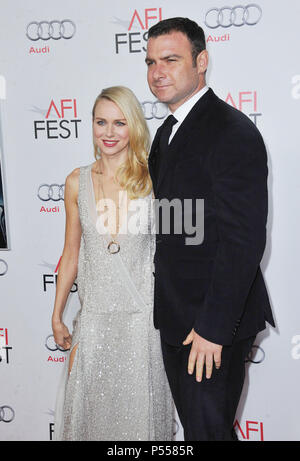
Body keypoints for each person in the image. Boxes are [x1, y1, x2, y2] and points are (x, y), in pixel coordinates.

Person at [146, 17, 275, 441]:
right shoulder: (165, 134)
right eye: (150, 62)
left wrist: (213, 329)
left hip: (211, 326)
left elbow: (243, 242)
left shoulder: (231, 131)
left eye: (170, 59)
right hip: (175, 318)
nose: (157, 72)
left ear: (201, 61)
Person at [51, 85, 173, 441]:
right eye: (100, 122)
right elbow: (71, 253)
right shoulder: (77, 182)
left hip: (142, 324)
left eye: (119, 123)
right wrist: (56, 314)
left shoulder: (154, 181)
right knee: (91, 422)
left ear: (133, 126)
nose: (109, 132)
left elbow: (176, 252)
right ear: (90, 125)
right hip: (95, 320)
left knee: (141, 423)